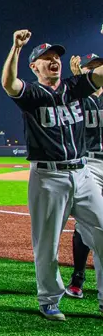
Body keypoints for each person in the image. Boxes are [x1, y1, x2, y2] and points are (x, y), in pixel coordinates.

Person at [2, 32, 103, 320]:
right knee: (47, 244)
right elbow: (9, 83)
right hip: (48, 178)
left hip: (82, 173)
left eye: (56, 57)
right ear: (34, 67)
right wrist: (16, 49)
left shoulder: (74, 88)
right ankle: (48, 299)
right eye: (46, 59)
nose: (54, 61)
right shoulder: (33, 95)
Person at [65, 53, 103, 300]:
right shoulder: (78, 98)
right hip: (89, 162)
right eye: (90, 68)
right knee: (86, 223)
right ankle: (78, 276)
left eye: (97, 67)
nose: (94, 71)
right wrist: (79, 81)